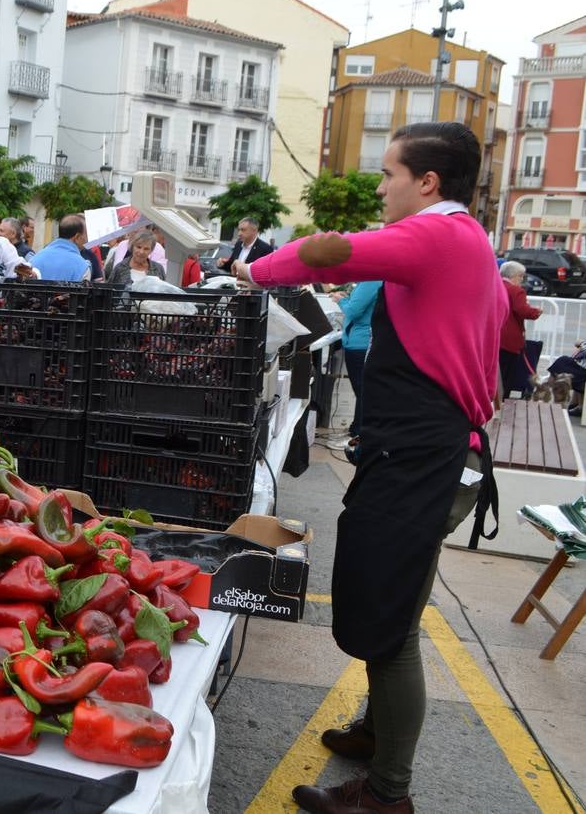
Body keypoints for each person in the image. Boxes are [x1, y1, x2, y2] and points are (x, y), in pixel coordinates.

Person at [233, 122, 503, 814]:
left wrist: (252, 269)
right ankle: (376, 733)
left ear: (429, 182)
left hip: (420, 460)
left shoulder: (438, 234)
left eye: (388, 174)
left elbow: (330, 254)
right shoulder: (474, 243)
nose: (381, 187)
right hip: (441, 452)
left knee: (390, 632)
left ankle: (388, 794)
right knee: (397, 606)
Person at [333, 280, 382, 451]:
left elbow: (353, 311)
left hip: (359, 343)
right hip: (359, 341)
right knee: (361, 391)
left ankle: (356, 436)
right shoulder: (371, 280)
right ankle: (355, 431)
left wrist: (341, 300)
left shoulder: (370, 281)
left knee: (362, 391)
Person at [498, 260, 542, 399]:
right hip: (509, 339)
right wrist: (536, 312)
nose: (522, 280)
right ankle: (501, 402)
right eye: (521, 276)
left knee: (495, 372)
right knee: (507, 375)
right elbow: (522, 310)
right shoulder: (516, 290)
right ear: (514, 275)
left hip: (493, 336)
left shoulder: (496, 286)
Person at [29, 215, 93, 282]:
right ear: (77, 237)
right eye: (87, 235)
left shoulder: (34, 259)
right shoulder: (83, 267)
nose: (88, 239)